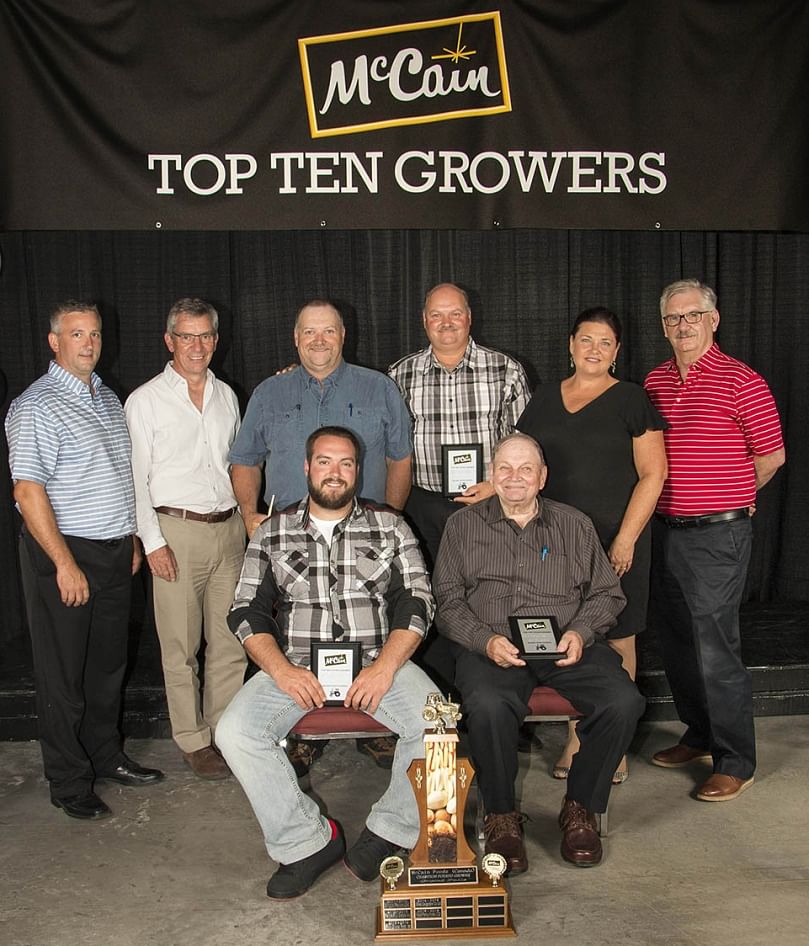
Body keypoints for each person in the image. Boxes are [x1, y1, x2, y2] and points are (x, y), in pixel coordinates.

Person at [216, 426, 437, 899]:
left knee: (436, 722)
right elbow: (245, 610)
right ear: (306, 467)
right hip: (297, 664)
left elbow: (417, 601)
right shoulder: (273, 531)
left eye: (345, 464)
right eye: (324, 462)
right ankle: (306, 843)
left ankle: (391, 832)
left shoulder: (391, 526)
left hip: (378, 663)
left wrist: (384, 668)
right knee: (234, 731)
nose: (334, 473)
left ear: (358, 470)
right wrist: (281, 671)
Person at [433, 433, 645, 872]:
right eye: (505, 469)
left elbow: (608, 595)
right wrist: (482, 640)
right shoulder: (463, 526)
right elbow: (447, 600)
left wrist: (582, 632)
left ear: (543, 477)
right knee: (489, 706)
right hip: (492, 644)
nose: (515, 478)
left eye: (526, 469)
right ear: (492, 475)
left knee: (624, 701)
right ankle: (501, 816)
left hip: (565, 642)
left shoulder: (575, 524)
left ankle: (580, 806)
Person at [228, 299, 413, 772]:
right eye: (309, 332)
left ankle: (372, 725)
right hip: (290, 539)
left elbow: (399, 459)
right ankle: (302, 725)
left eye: (327, 331)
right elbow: (246, 458)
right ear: (295, 337)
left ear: (343, 335)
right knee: (294, 632)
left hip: (361, 536)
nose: (318, 341)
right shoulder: (270, 392)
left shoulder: (379, 388)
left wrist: (388, 517)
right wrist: (250, 515)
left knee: (369, 623)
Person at [5, 301, 164, 820]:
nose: (89, 343)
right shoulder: (37, 405)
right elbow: (28, 493)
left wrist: (131, 538)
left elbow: (118, 477)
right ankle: (69, 780)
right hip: (66, 554)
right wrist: (64, 564)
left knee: (106, 669)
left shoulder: (104, 397)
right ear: (55, 342)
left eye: (94, 334)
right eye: (77, 334)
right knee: (63, 677)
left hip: (115, 553)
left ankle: (105, 755)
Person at [645, 279, 785, 801]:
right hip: (666, 531)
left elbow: (770, 458)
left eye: (691, 316)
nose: (682, 326)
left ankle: (735, 760)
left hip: (718, 535)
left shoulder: (742, 381)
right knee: (678, 642)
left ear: (713, 319)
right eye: (672, 319)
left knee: (715, 648)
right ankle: (699, 734)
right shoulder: (655, 381)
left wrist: (729, 493)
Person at [517, 307, 667, 782]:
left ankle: (607, 743)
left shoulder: (632, 399)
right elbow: (521, 462)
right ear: (570, 344)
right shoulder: (542, 398)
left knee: (618, 636)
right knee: (566, 635)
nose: (594, 349)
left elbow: (653, 474)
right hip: (554, 545)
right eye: (586, 339)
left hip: (615, 541)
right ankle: (575, 736)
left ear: (617, 351)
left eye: (605, 342)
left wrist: (625, 539)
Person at [125, 298, 247, 780]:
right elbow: (135, 478)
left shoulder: (226, 396)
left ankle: (225, 734)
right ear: (169, 340)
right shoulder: (145, 400)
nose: (196, 347)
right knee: (179, 646)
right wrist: (152, 541)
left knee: (231, 642)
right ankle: (193, 740)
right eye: (186, 337)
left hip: (229, 530)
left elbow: (235, 466)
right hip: (175, 530)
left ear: (215, 340)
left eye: (205, 337)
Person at [388, 282, 530, 568]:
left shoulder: (506, 370)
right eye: (437, 315)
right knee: (427, 590)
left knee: (489, 589)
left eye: (455, 313)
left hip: (488, 502)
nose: (446, 323)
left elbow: (524, 442)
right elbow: (390, 446)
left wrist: (496, 486)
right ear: (424, 320)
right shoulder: (399, 375)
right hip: (422, 506)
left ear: (469, 317)